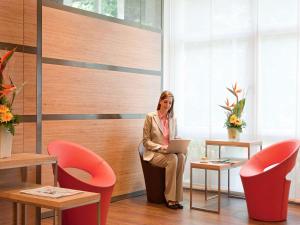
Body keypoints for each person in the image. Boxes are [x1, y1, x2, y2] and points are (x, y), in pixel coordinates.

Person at [143, 90, 185, 209]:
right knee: (173, 159)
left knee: (181, 156)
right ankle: (170, 199)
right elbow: (146, 141)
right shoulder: (150, 117)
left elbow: (172, 138)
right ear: (160, 101)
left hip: (168, 151)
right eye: (165, 101)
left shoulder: (172, 119)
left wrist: (177, 140)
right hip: (154, 153)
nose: (168, 105)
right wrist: (161, 147)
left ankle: (177, 198)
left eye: (170, 103)